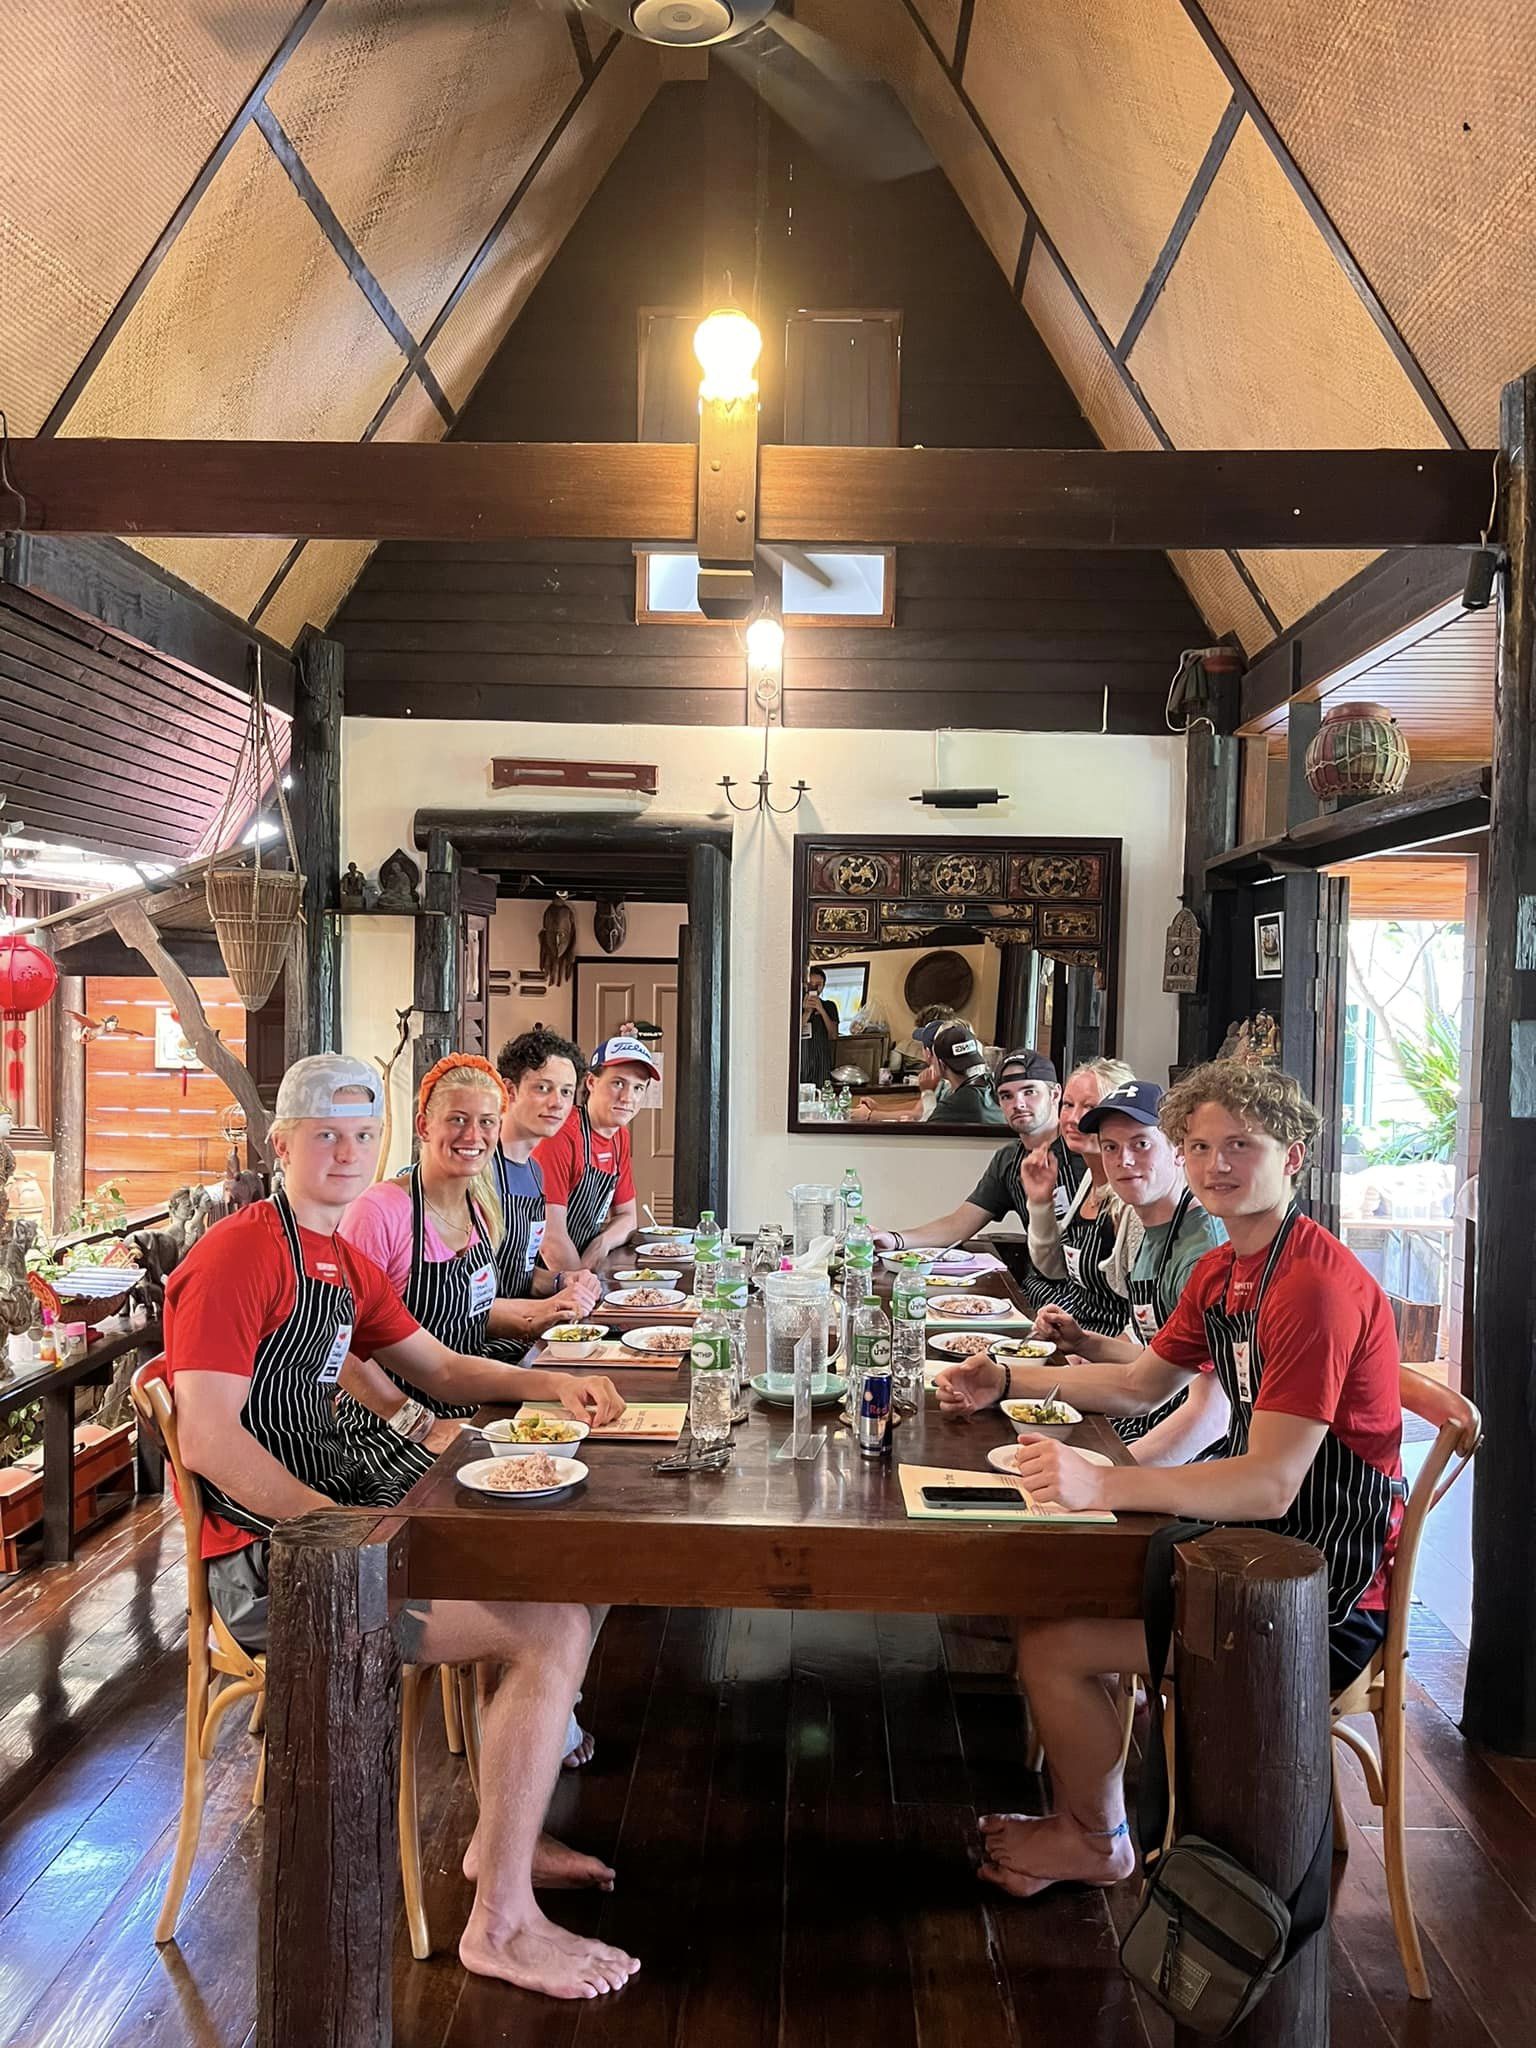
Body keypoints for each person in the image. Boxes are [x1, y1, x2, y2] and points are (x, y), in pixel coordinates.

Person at [160, 1054, 639, 1998]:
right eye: (325, 1136)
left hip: (342, 1521)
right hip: (273, 1566)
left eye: (361, 1136)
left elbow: (443, 1369)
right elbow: (211, 1440)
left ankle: (505, 1832)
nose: (346, 1153)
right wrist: (351, 1534)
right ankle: (500, 1924)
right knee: (550, 1625)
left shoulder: (337, 1257)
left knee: (571, 1562)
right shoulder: (239, 1254)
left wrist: (556, 1380)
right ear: (281, 1145)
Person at [934, 1062, 1404, 1901]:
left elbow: (1269, 1485)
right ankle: (1096, 1819)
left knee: (1053, 1645)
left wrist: (1105, 1484)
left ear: (1293, 1157)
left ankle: (1096, 1840)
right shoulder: (1227, 1270)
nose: (1217, 1164)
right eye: (1200, 1146)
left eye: (1241, 1146)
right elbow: (1137, 1384)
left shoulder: (1313, 1289)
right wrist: (1004, 1378)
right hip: (1251, 1551)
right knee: (1056, 1596)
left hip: (1317, 1591)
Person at [339, 1057, 603, 1415]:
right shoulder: (379, 1211)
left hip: (465, 1386)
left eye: (486, 1122)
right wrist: (415, 1424)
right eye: (458, 1120)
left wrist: (537, 1317)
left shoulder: (480, 1207)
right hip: (394, 1413)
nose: (473, 1136)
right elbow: (342, 1345)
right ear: (423, 1126)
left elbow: (466, 1313)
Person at [1031, 1078, 1229, 1460]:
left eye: (1141, 1144)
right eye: (1111, 1147)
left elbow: (1212, 1415)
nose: (1124, 1160)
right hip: (1148, 1415)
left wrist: (1109, 1480)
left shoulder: (1202, 1251)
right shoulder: (1147, 1226)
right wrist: (1084, 1343)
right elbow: (1161, 1361)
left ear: (1179, 1150)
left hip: (1199, 1454)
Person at [872, 1049, 1081, 1311]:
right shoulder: (1009, 1159)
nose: (1018, 1104)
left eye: (1029, 1092)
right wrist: (894, 1240)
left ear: (1055, 1094)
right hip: (1036, 1293)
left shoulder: (1083, 1154)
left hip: (1083, 1299)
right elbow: (960, 1223)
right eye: (1007, 1095)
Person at [489, 1025, 604, 1333]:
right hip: (478, 1344)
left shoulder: (534, 1172)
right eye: (543, 1088)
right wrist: (548, 1307)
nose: (558, 1103)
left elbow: (519, 1274)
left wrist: (563, 1280)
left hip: (521, 1334)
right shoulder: (479, 1171)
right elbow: (465, 1297)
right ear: (509, 1091)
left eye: (566, 1091)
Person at [1015, 1057, 1137, 1335]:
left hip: (1110, 1345)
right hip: (1077, 1334)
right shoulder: (1089, 1181)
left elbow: (1144, 1316)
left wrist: (1084, 1351)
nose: (1072, 1119)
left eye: (1089, 1107)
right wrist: (1039, 1203)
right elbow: (1055, 1269)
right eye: (1068, 1105)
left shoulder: (1129, 1199)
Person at [535, 1034, 658, 1270]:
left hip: (581, 1268)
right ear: (591, 1082)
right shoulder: (562, 1134)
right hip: (543, 1277)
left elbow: (628, 1218)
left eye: (638, 1088)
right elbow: (550, 1240)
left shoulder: (619, 1137)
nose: (628, 1098)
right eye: (618, 1083)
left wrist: (602, 1243)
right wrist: (580, 1282)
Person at [925, 1020, 1007, 1126]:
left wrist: (927, 1093)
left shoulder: (953, 1106)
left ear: (941, 1065)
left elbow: (926, 1131)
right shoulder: (994, 1086)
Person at [799, 966, 839, 1088]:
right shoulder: (796, 1006)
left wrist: (821, 1009)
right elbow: (791, 1036)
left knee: (822, 1093)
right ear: (805, 985)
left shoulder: (829, 1006)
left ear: (823, 986)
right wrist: (807, 1012)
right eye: (811, 984)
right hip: (802, 1061)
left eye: (818, 985)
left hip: (822, 1062)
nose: (814, 988)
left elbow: (833, 1035)